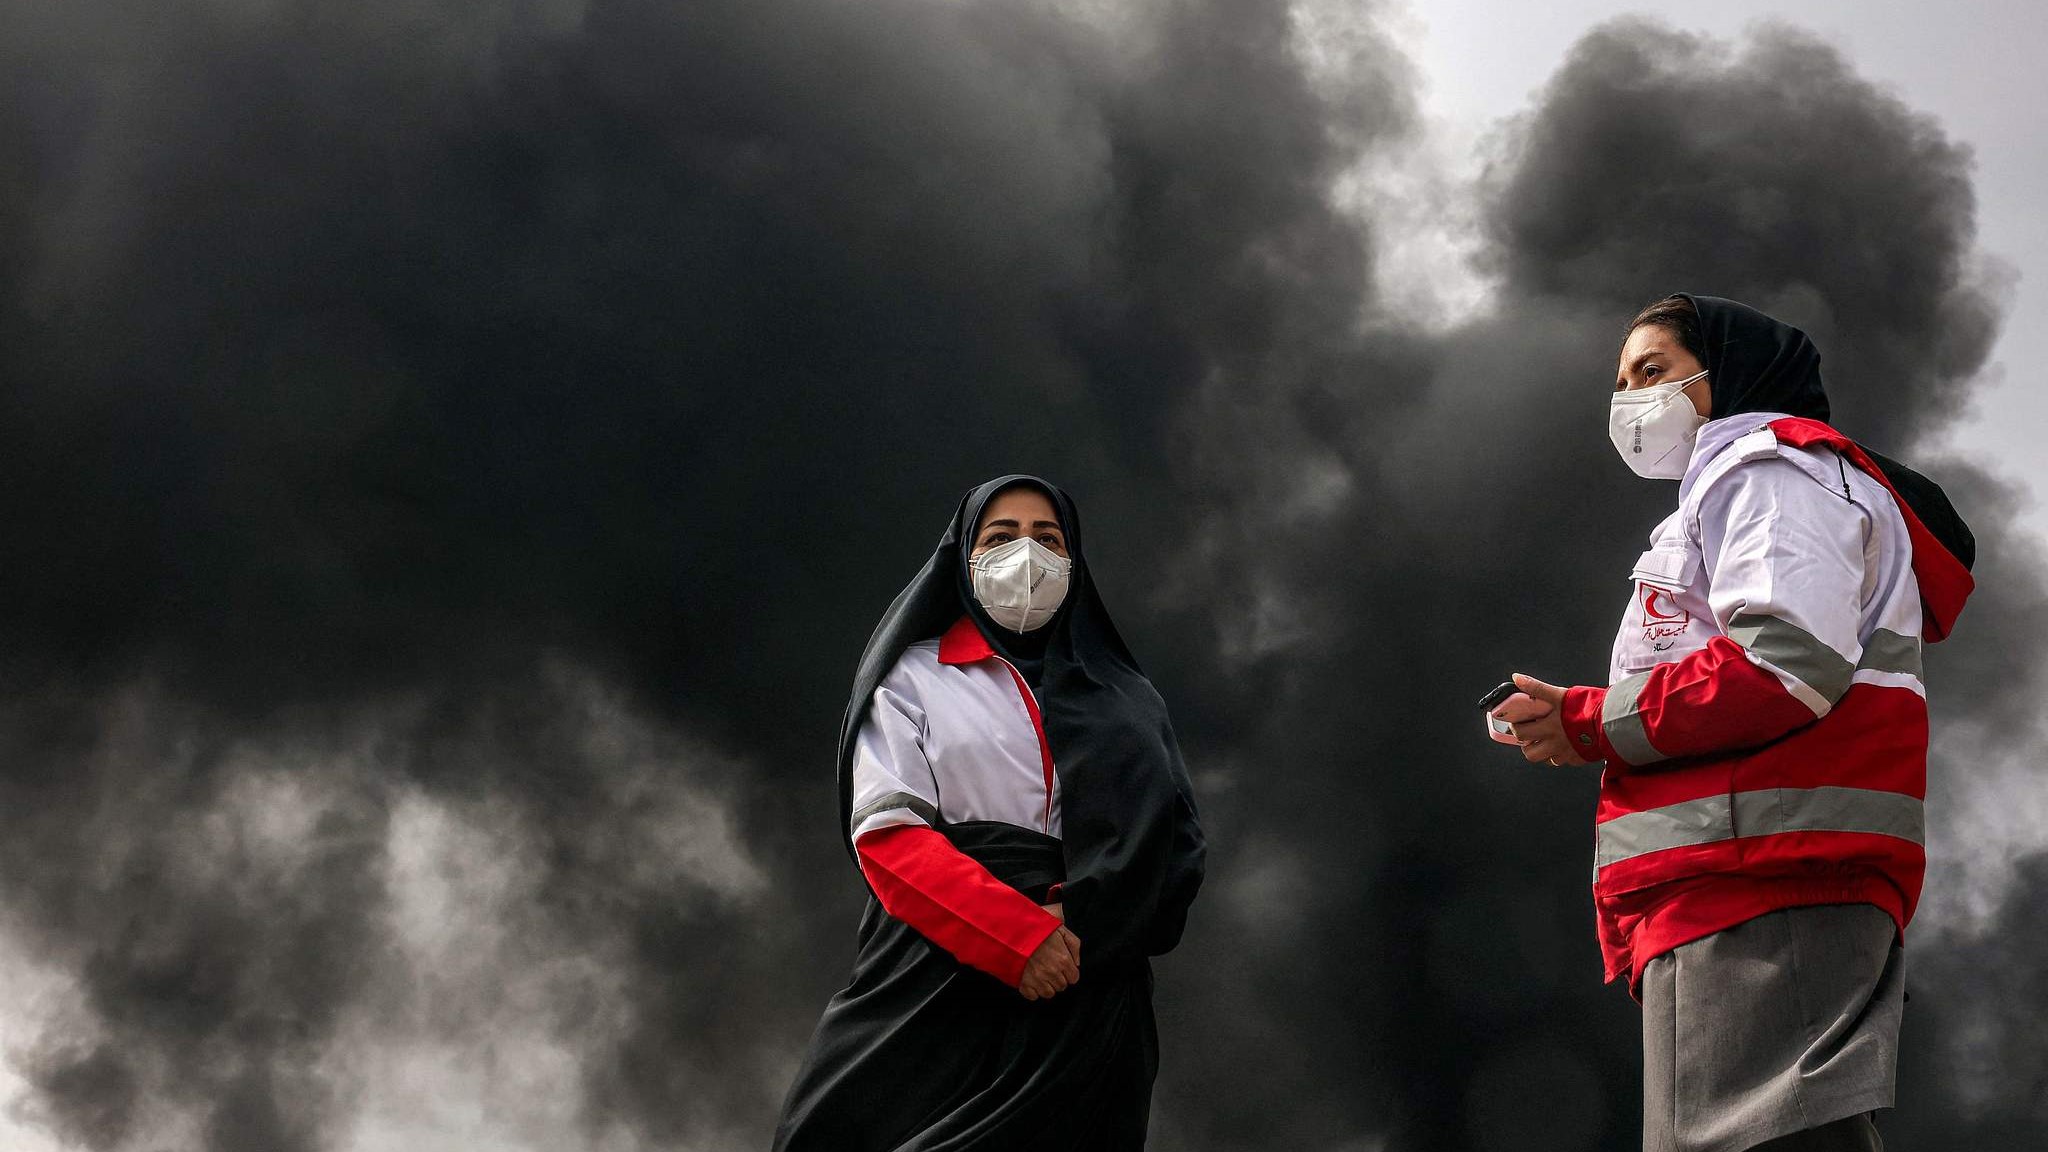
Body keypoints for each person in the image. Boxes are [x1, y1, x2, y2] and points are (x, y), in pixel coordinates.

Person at [1491, 295, 1976, 1152]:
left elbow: (1783, 668)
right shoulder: (1755, 483)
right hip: (1755, 878)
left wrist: (1592, 721)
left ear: (1731, 374)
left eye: (1655, 371)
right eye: (1621, 382)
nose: (1632, 400)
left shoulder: (1770, 472)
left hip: (1760, 882)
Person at [772, 475, 1206, 1151]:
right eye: (1001, 537)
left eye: (1048, 538)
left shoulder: (1129, 698)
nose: (1026, 557)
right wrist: (1019, 938)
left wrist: (1081, 919)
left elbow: (1175, 851)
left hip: (1087, 1001)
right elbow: (889, 841)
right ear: (964, 557)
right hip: (932, 989)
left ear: (1074, 560)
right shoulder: (913, 679)